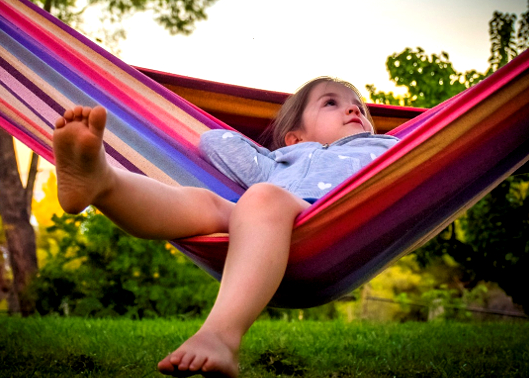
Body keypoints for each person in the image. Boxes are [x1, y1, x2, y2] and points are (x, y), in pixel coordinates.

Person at [52, 77, 399, 377]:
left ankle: (221, 335)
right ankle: (102, 183)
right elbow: (215, 142)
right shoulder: (278, 162)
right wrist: (274, 152)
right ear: (293, 137)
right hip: (261, 230)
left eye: (359, 108)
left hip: (334, 226)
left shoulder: (385, 147)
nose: (354, 110)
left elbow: (416, 168)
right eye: (331, 103)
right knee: (211, 203)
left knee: (262, 197)